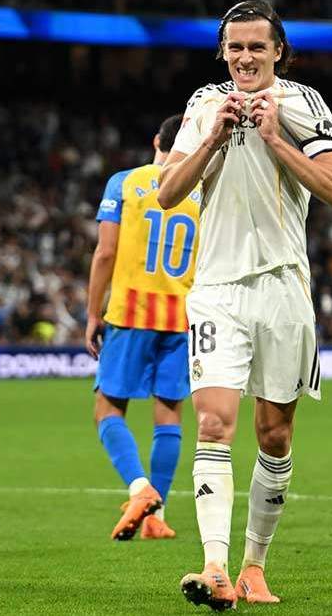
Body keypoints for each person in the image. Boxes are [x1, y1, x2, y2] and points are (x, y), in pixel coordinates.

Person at [158, 0, 332, 610]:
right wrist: (214, 136)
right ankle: (214, 566)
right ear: (223, 52)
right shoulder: (201, 105)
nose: (245, 57)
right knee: (213, 422)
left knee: (275, 434)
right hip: (217, 288)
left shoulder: (303, 104)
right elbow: (166, 193)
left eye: (256, 47)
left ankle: (253, 565)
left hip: (284, 288)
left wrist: (274, 138)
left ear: (278, 53)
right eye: (235, 47)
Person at [86, 114, 195, 541]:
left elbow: (105, 252)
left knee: (107, 407)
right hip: (181, 315)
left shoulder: (125, 183)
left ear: (156, 141)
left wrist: (94, 313)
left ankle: (139, 489)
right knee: (169, 412)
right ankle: (156, 516)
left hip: (131, 312)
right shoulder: (201, 189)